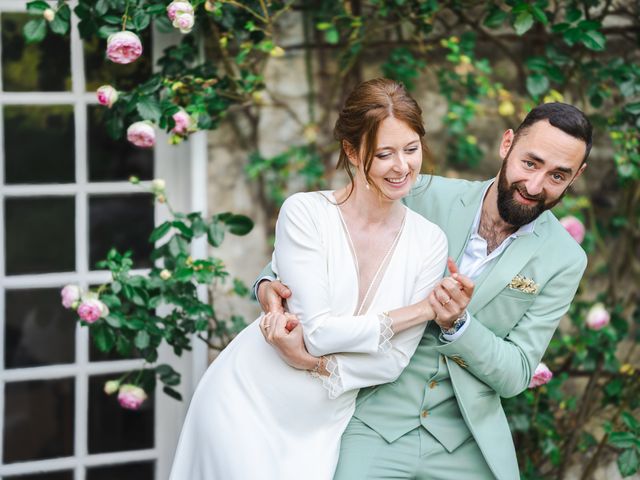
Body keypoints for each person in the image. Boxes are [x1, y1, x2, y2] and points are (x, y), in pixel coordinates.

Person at [256, 101, 592, 479]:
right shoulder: (421, 193)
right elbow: (329, 240)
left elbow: (516, 375)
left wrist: (459, 326)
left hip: (466, 438)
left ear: (576, 175)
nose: (535, 186)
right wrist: (267, 282)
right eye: (530, 163)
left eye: (558, 176)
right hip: (371, 419)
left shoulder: (566, 259)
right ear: (507, 144)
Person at [169, 78, 469, 479]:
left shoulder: (429, 241)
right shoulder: (305, 214)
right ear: (351, 150)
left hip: (321, 426)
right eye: (384, 154)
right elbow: (317, 332)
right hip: (246, 401)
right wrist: (419, 311)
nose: (402, 167)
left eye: (411, 149)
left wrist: (315, 366)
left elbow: (392, 362)